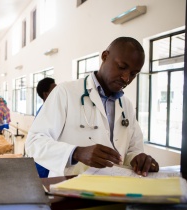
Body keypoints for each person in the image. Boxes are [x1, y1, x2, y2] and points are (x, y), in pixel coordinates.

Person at [25, 37, 159, 178]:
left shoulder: (126, 105)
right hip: (70, 189)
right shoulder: (65, 92)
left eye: (133, 74)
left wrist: (139, 159)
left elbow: (133, 149)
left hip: (115, 190)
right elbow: (34, 142)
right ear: (105, 56)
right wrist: (76, 153)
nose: (126, 78)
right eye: (122, 67)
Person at [34, 77, 57, 178]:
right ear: (46, 94)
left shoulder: (51, 109)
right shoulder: (44, 113)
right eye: (54, 89)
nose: (58, 92)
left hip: (50, 158)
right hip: (45, 160)